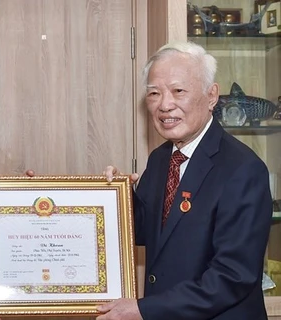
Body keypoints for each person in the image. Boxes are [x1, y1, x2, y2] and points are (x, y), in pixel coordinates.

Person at [100, 41, 272, 319]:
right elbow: (146, 232)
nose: (165, 104)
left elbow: (232, 277)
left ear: (212, 95)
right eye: (154, 93)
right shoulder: (160, 159)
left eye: (178, 91)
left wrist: (145, 309)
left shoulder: (243, 169)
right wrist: (115, 197)